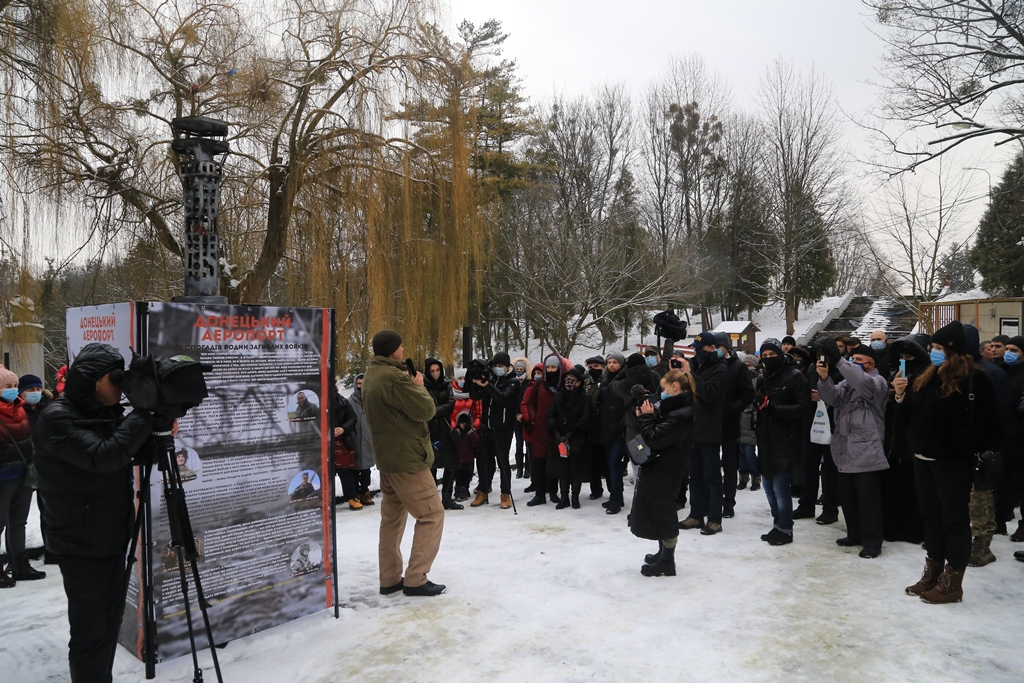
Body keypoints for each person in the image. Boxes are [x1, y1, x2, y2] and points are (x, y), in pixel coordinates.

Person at [33, 343, 155, 682]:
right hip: (79, 543)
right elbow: (104, 457)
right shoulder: (57, 418)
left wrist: (156, 432)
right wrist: (143, 415)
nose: (120, 386)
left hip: (110, 535)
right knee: (91, 631)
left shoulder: (105, 412)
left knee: (109, 623)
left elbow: (129, 453)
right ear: (93, 380)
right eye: (115, 379)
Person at [893, 321, 1003, 604]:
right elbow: (911, 419)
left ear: (954, 351)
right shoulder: (927, 376)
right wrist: (901, 396)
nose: (933, 352)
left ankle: (953, 581)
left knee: (954, 520)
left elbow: (991, 426)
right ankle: (933, 572)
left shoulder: (975, 380)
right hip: (923, 458)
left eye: (939, 348)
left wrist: (960, 447)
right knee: (930, 518)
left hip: (951, 462)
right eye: (933, 347)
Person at [362, 330, 446, 597]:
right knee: (431, 515)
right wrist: (419, 386)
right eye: (400, 346)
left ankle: (389, 578)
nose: (403, 350)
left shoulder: (373, 374)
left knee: (392, 520)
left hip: (387, 459)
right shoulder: (395, 378)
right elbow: (426, 410)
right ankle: (416, 578)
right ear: (393, 351)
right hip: (408, 459)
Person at [816, 345, 890, 559]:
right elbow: (832, 398)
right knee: (848, 498)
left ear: (870, 364)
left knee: (868, 501)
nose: (853, 361)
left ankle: (872, 541)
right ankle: (854, 534)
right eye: (852, 358)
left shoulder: (877, 383)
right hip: (845, 449)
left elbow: (862, 382)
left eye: (858, 359)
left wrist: (840, 361)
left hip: (867, 451)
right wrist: (824, 379)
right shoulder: (847, 383)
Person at [630, 369, 696, 577]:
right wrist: (647, 415)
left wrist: (646, 419)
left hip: (667, 467)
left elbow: (655, 438)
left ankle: (668, 560)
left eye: (665, 388)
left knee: (664, 511)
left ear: (674, 387)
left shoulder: (682, 413)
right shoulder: (676, 409)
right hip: (661, 465)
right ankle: (662, 552)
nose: (663, 393)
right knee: (657, 509)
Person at [753, 339, 811, 546]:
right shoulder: (763, 377)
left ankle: (786, 529)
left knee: (780, 487)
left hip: (786, 438)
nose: (768, 359)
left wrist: (774, 409)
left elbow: (803, 408)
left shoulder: (795, 376)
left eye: (772, 355)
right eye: (765, 355)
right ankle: (777, 524)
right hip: (766, 438)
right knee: (768, 487)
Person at [678, 331, 727, 535]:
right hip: (692, 429)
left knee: (712, 477)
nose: (697, 353)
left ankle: (715, 518)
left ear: (712, 348)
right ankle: (696, 515)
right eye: (695, 349)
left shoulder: (720, 369)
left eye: (701, 349)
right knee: (694, 475)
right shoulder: (695, 367)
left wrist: (691, 373)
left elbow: (708, 393)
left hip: (709, 430)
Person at [0, 366, 43, 587]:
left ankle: (19, 564)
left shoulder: (21, 409)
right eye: (8, 386)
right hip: (3, 475)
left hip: (23, 473)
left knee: (18, 522)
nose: (13, 390)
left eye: (15, 386)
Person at [470, 352, 520, 510]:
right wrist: (475, 382)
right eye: (495, 366)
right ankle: (483, 490)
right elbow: (475, 396)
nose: (498, 369)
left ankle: (505, 494)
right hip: (487, 426)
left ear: (507, 367)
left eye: (501, 366)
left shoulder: (513, 382)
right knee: (485, 461)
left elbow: (503, 398)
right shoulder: (490, 379)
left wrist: (487, 386)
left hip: (503, 428)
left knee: (503, 462)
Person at [715, 333, 754, 519]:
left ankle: (728, 503)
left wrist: (734, 409)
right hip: (709, 424)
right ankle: (712, 500)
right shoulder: (706, 365)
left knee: (730, 466)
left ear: (725, 347)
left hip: (730, 424)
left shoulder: (737, 366)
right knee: (711, 466)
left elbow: (748, 393)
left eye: (718, 346)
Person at [547, 366, 591, 509]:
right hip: (559, 439)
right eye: (567, 379)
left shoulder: (585, 397)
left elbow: (586, 418)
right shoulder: (558, 396)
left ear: (579, 382)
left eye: (572, 380)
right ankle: (564, 497)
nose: (569, 382)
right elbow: (550, 415)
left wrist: (571, 432)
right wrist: (556, 433)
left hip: (577, 438)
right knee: (562, 469)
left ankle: (575, 497)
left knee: (575, 470)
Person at [593, 352, 629, 514]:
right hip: (606, 429)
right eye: (610, 362)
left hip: (620, 431)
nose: (612, 365)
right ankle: (616, 496)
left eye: (615, 362)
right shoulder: (604, 379)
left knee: (615, 465)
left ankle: (615, 499)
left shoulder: (624, 380)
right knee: (610, 465)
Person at [422, 359, 459, 509]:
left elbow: (451, 404)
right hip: (430, 431)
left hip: (445, 428)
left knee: (451, 464)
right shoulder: (423, 386)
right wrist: (431, 412)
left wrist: (433, 412)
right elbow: (423, 407)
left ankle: (447, 497)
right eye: (432, 371)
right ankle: (432, 500)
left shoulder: (446, 384)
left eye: (438, 370)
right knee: (432, 466)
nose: (436, 374)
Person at [346, 374, 376, 507]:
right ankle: (355, 494)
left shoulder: (372, 400)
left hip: (368, 439)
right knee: (355, 468)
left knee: (366, 469)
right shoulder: (349, 402)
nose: (360, 387)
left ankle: (364, 492)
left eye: (363, 384)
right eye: (358, 384)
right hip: (355, 439)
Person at [511, 356, 532, 480]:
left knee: (528, 445)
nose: (519, 371)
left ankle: (528, 468)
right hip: (516, 418)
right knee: (519, 444)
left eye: (521, 369)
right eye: (517, 369)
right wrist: (516, 414)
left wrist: (524, 414)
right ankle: (519, 468)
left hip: (526, 418)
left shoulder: (528, 384)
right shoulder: (513, 383)